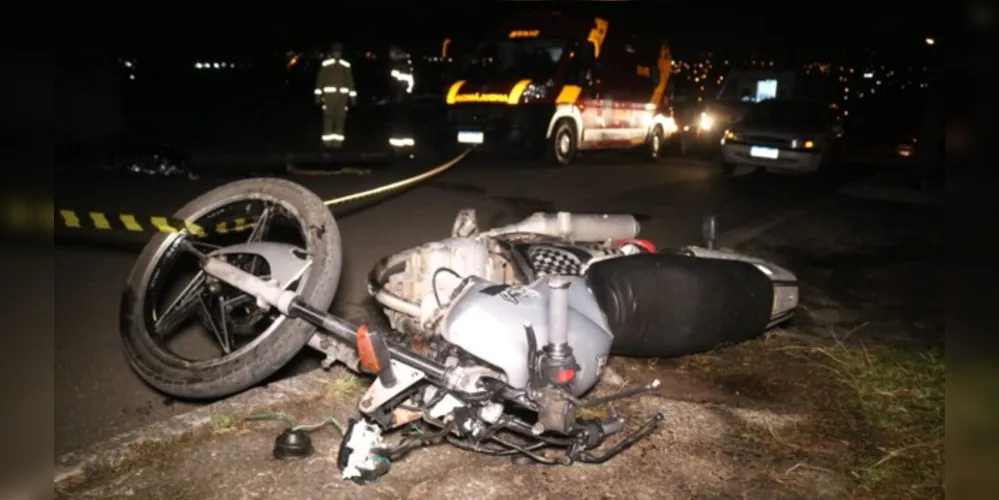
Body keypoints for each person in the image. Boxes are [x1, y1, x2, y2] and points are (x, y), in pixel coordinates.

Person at [314, 42, 356, 148]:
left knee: (340, 119)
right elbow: (320, 82)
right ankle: (327, 143)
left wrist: (353, 99)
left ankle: (338, 144)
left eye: (338, 51)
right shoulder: (326, 65)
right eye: (335, 51)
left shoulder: (346, 65)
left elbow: (350, 82)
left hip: (342, 99)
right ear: (332, 52)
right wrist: (318, 99)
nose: (337, 53)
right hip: (329, 99)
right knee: (328, 119)